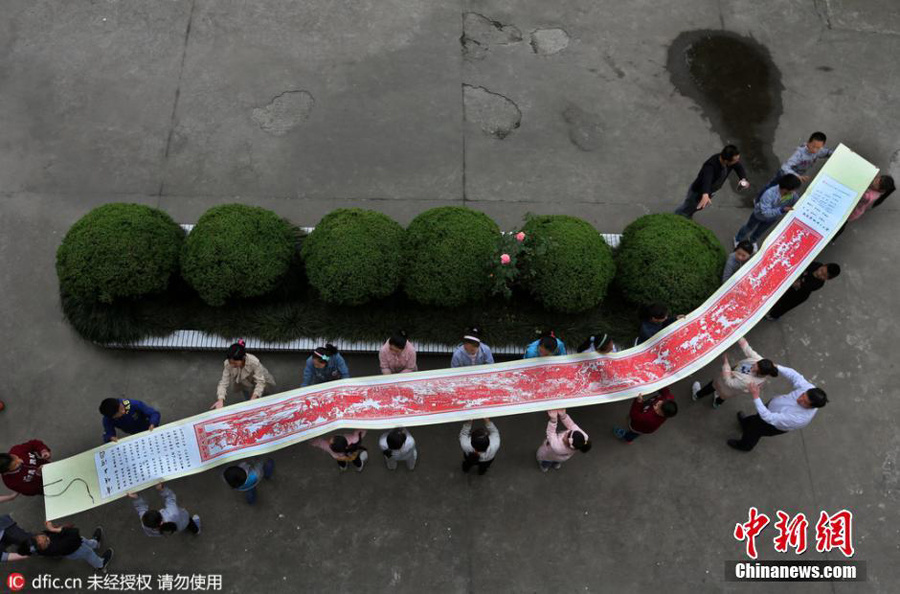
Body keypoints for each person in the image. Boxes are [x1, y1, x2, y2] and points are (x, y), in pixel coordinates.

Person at [728, 365, 827, 451]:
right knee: (754, 420)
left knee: (754, 432)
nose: (799, 399)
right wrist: (777, 366)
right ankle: (745, 423)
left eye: (804, 402)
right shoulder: (808, 389)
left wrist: (756, 396)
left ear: (811, 407)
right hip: (769, 408)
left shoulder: (799, 418)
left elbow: (768, 417)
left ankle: (745, 445)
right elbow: (794, 376)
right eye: (802, 395)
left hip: (771, 424)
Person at [691, 338, 778, 409]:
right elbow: (748, 350)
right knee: (723, 396)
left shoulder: (748, 381)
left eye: (756, 366)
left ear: (760, 372)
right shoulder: (760, 363)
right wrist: (739, 335)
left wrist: (726, 363)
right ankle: (716, 403)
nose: (754, 364)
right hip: (733, 390)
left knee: (712, 386)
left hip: (728, 383)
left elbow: (728, 382)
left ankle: (697, 395)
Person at [674, 145, 750, 218]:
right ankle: (676, 216)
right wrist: (705, 194)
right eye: (736, 160)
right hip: (698, 192)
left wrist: (743, 179)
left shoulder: (729, 161)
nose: (737, 161)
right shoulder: (710, 165)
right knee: (687, 207)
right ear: (727, 161)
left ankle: (688, 215)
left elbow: (739, 167)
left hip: (710, 191)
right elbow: (707, 180)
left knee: (697, 208)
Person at [734, 174, 802, 248]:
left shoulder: (792, 195)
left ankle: (752, 240)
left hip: (772, 218)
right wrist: (781, 210)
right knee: (749, 227)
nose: (795, 191)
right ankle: (738, 239)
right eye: (794, 189)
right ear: (786, 189)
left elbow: (798, 201)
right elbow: (766, 212)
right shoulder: (769, 194)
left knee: (760, 231)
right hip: (759, 215)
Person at [757, 132, 834, 197]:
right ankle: (758, 199)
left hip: (796, 176)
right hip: (784, 175)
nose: (815, 150)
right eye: (813, 146)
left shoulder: (819, 151)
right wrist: (798, 176)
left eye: (818, 148)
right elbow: (785, 167)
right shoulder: (799, 153)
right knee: (772, 187)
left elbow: (828, 153)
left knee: (784, 191)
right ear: (808, 142)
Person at [18, 521, 112, 571]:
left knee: (84, 540)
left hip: (75, 543)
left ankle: (95, 544)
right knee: (88, 553)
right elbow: (74, 533)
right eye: (39, 542)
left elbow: (55, 533)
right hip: (76, 548)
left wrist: (58, 528)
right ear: (40, 548)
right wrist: (56, 529)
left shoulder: (44, 544)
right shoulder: (56, 548)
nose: (40, 537)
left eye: (36, 537)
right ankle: (100, 564)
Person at [211, 340, 276, 410]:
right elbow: (223, 383)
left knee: (265, 404)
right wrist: (220, 400)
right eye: (230, 362)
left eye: (235, 363)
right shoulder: (228, 364)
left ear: (243, 358)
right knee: (249, 406)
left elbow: (260, 382)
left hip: (262, 384)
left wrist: (253, 399)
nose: (232, 365)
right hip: (245, 386)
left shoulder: (254, 362)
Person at [766, 261, 840, 320]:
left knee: (784, 306)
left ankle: (773, 315)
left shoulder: (817, 284)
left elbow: (798, 284)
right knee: (777, 299)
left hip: (798, 295)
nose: (820, 274)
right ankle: (770, 307)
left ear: (827, 279)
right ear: (823, 265)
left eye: (824, 275)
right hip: (794, 285)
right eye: (821, 270)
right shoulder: (816, 264)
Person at [834, 174, 895, 240]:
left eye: (878, 183)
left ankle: (834, 237)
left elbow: (856, 193)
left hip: (852, 212)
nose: (875, 180)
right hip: (853, 208)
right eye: (878, 178)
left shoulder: (868, 196)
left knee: (841, 224)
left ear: (880, 190)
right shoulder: (874, 190)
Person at [129, 483, 201, 537]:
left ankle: (195, 530)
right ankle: (196, 530)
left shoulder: (145, 524)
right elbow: (170, 498)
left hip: (173, 529)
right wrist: (162, 489)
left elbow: (141, 509)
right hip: (183, 521)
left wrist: (136, 498)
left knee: (179, 527)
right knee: (189, 522)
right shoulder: (172, 513)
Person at [613, 388, 678, 443]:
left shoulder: (648, 418)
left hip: (638, 427)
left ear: (662, 413)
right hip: (645, 422)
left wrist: (638, 402)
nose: (658, 402)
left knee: (633, 433)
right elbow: (665, 390)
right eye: (661, 402)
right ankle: (630, 438)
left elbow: (634, 415)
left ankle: (627, 438)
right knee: (637, 432)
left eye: (658, 406)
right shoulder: (668, 398)